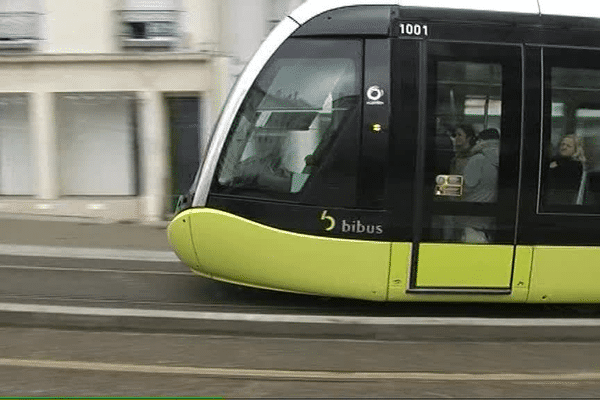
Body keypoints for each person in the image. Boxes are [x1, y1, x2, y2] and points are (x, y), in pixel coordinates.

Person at [545, 134, 585, 205]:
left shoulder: (575, 165)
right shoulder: (553, 160)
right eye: (562, 144)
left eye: (568, 146)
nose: (564, 147)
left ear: (575, 149)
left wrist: (553, 169)